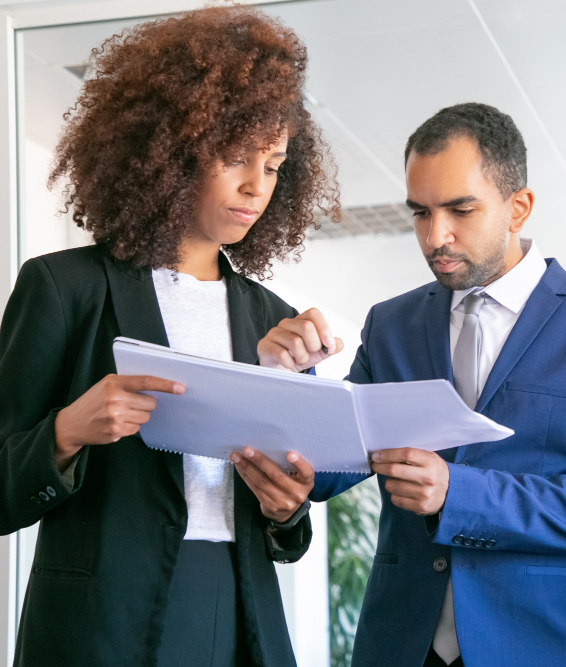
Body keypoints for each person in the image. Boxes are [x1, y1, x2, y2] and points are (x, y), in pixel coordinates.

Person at [0, 7, 342, 666]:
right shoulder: (65, 288)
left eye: (273, 165)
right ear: (173, 147)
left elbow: (286, 525)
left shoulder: (274, 317)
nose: (256, 187)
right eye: (236, 158)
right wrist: (67, 430)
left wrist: (287, 508)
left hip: (241, 613)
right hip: (103, 620)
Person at [258, 102, 566, 666]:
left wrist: (458, 493)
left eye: (460, 210)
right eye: (420, 212)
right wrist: (289, 381)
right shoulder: (390, 325)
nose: (434, 235)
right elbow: (324, 472)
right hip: (400, 647)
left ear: (519, 208)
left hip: (538, 646)